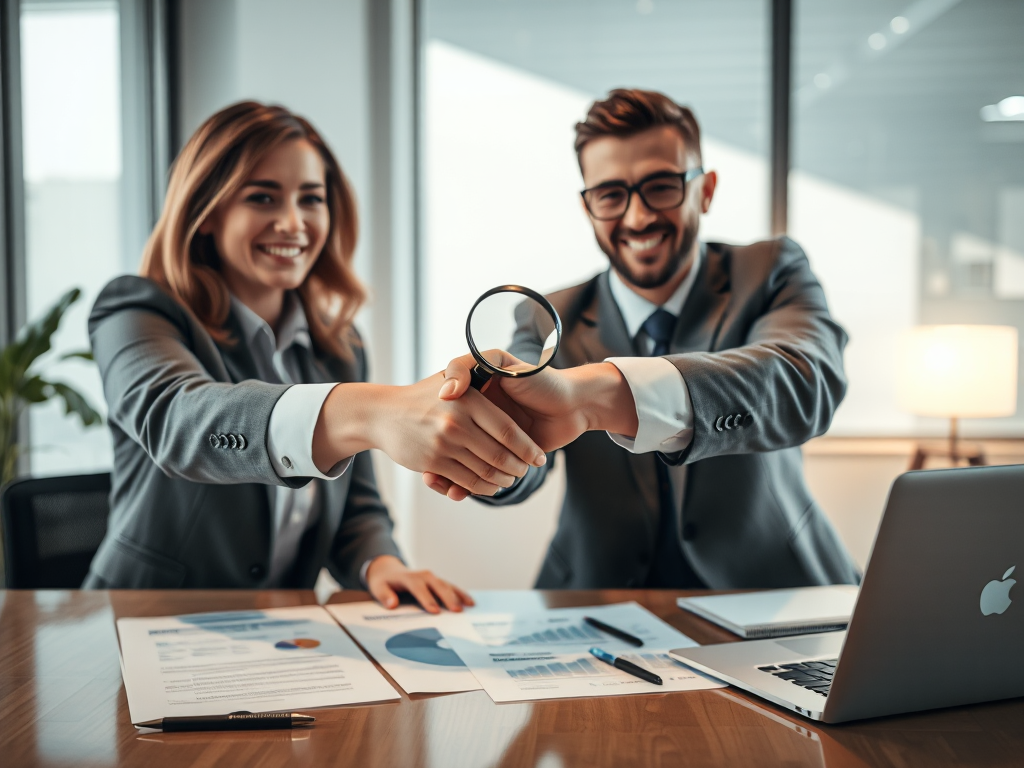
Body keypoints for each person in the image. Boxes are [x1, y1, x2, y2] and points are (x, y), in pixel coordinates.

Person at [84, 101, 546, 611]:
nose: (292, 222)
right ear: (207, 213)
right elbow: (177, 421)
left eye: (311, 199)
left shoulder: (341, 346)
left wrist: (381, 565)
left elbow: (356, 506)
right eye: (263, 197)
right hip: (137, 620)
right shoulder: (138, 309)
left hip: (276, 630)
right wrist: (372, 411)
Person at [426, 89, 859, 590]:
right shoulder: (547, 316)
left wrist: (594, 394)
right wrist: (486, 447)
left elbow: (806, 378)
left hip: (769, 588)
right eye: (611, 195)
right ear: (588, 207)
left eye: (661, 187)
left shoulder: (771, 271)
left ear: (706, 190)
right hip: (599, 598)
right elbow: (523, 433)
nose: (637, 218)